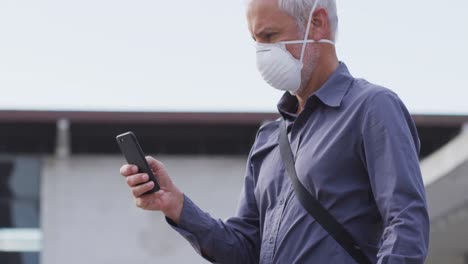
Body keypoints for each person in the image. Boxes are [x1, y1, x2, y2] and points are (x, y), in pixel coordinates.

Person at [119, 0, 429, 263]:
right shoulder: (268, 140)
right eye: (256, 41)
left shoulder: (372, 108)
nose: (262, 53)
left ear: (317, 23)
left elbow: (405, 223)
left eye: (270, 36)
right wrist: (176, 205)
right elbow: (244, 248)